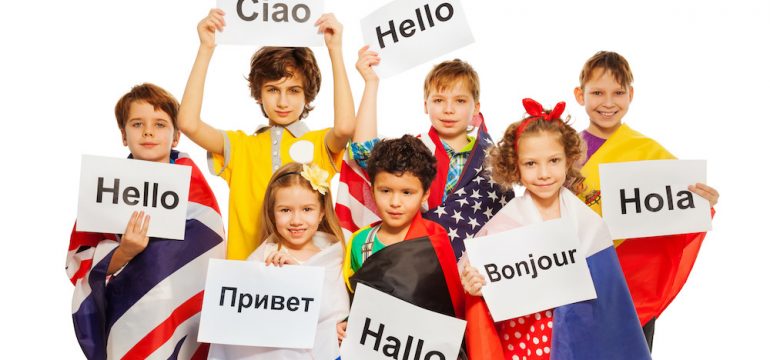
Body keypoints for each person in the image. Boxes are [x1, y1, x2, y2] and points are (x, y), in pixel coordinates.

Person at [460, 98, 651, 360]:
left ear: (568, 159)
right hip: (525, 341)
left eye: (553, 161)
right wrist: (474, 284)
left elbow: (610, 298)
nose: (544, 173)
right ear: (515, 165)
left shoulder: (589, 223)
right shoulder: (504, 224)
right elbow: (481, 285)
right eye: (531, 164)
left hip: (582, 340)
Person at [177, 9, 356, 259]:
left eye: (294, 90)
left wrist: (335, 50)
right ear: (259, 93)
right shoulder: (240, 146)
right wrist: (206, 48)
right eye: (273, 89)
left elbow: (346, 128)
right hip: (246, 279)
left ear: (308, 96)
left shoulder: (318, 143)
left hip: (302, 275)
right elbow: (187, 123)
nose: (283, 101)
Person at [66, 83, 225, 359]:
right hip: (129, 319)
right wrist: (123, 252)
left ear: (176, 137)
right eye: (137, 124)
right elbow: (79, 262)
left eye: (160, 124)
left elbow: (212, 256)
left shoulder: (196, 191)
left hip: (185, 318)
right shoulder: (105, 188)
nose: (148, 131)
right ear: (123, 135)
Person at [573, 51, 719, 350]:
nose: (608, 102)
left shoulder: (648, 152)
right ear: (580, 95)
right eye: (597, 92)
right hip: (579, 279)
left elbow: (681, 206)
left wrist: (705, 200)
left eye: (618, 93)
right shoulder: (563, 151)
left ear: (631, 95)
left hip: (632, 285)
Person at [335, 50, 514, 260]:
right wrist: (371, 83)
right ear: (425, 105)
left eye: (460, 101)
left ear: (476, 108)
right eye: (438, 100)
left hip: (473, 269)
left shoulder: (494, 161)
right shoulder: (414, 149)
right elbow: (364, 150)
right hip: (416, 260)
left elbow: (506, 220)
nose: (448, 109)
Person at [341, 135, 467, 357]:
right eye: (385, 190)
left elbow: (451, 309)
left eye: (407, 192)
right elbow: (351, 301)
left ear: (425, 193)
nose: (395, 202)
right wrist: (343, 324)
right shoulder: (360, 241)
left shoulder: (434, 239)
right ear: (372, 190)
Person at [209, 162, 349, 359]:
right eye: (285, 210)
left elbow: (338, 311)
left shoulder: (336, 256)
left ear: (322, 213)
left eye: (307, 209)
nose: (296, 220)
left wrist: (343, 328)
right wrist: (287, 278)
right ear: (272, 214)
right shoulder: (261, 260)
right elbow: (242, 325)